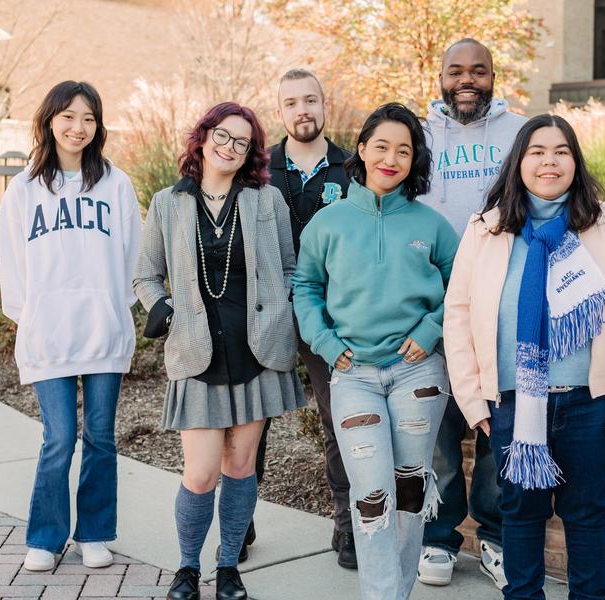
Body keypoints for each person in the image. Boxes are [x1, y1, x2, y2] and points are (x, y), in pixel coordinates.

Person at [443, 114, 605, 599]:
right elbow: (457, 315)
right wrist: (476, 405)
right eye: (537, 151)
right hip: (514, 405)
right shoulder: (487, 229)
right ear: (519, 161)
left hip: (589, 404)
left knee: (586, 517)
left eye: (561, 151)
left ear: (575, 162)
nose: (549, 161)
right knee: (519, 516)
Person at [134, 101, 305, 600]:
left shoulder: (266, 200)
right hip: (196, 353)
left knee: (240, 466)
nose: (231, 148)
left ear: (252, 152)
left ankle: (228, 566)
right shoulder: (169, 202)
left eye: (243, 142)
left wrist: (281, 310)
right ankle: (187, 567)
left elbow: (290, 268)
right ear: (204, 137)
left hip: (257, 351)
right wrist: (161, 308)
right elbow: (145, 274)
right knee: (202, 470)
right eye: (223, 136)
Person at [293, 103, 458, 600]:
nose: (391, 158)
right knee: (371, 498)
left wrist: (431, 330)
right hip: (354, 375)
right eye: (381, 146)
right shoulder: (329, 222)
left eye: (404, 150)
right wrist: (325, 343)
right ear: (361, 150)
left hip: (418, 373)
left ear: (415, 160)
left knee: (409, 495)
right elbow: (305, 287)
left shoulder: (432, 225)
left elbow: (464, 287)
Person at [0, 80, 140, 573]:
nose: (78, 127)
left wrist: (114, 310)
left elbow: (130, 259)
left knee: (100, 436)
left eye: (89, 118)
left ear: (98, 126)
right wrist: (31, 316)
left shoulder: (116, 184)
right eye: (69, 117)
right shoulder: (23, 190)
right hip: (49, 333)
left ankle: (95, 533)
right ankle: (46, 536)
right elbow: (12, 265)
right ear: (50, 120)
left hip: (103, 331)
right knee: (58, 439)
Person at [417, 37, 526, 589]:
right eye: (456, 71)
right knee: (437, 430)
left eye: (478, 71)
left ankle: (494, 536)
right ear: (439, 75)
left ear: (493, 75)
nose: (467, 80)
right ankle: (437, 538)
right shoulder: (418, 136)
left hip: (500, 310)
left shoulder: (520, 133)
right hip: (433, 310)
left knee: (496, 433)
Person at [251, 68, 356, 569]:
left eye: (310, 100)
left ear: (324, 103)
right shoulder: (258, 169)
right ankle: (238, 522)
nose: (302, 110)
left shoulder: (352, 168)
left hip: (328, 316)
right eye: (291, 102)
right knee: (250, 422)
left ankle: (348, 528)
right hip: (266, 313)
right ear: (281, 112)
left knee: (340, 421)